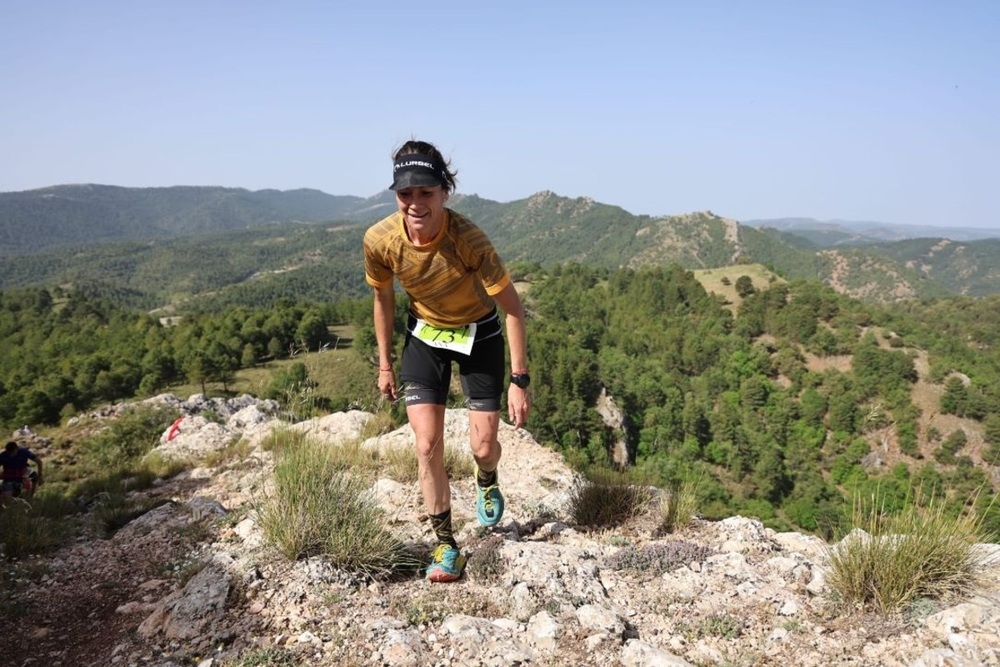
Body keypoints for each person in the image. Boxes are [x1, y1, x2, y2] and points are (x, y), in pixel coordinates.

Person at [363, 139, 531, 583]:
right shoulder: (380, 241)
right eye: (405, 194)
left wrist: (519, 378)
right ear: (395, 193)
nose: (415, 204)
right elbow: (383, 300)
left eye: (426, 193)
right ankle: (445, 544)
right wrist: (384, 363)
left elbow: (513, 307)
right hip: (426, 337)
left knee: (482, 445)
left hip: (480, 334)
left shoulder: (469, 240)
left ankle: (487, 475)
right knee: (426, 445)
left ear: (444, 192)